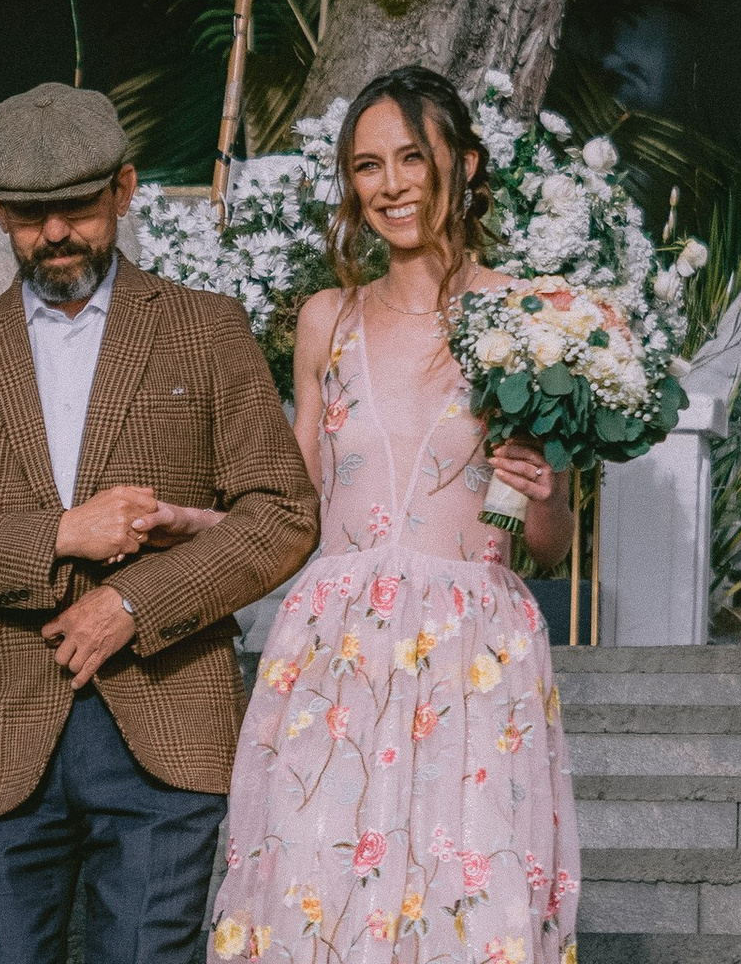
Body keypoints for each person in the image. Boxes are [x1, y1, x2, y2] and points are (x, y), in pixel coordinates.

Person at [0, 81, 321, 964]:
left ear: (125, 187)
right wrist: (60, 536)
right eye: (30, 215)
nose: (56, 233)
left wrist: (133, 605)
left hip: (166, 714)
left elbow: (281, 513)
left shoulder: (206, 329)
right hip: (0, 731)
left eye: (77, 205)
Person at [209, 66, 581, 964]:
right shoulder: (324, 320)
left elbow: (552, 544)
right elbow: (290, 499)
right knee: (311, 895)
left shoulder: (529, 314)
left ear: (465, 161)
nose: (392, 185)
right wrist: (199, 530)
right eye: (368, 166)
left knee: (467, 900)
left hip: (472, 651)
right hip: (333, 648)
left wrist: (538, 487)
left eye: (413, 157)